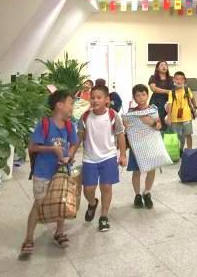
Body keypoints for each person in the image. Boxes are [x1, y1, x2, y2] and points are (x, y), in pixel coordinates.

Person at [20, 90, 79, 256]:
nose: (72, 107)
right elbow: (32, 147)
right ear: (59, 105)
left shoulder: (69, 125)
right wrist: (52, 149)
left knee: (61, 200)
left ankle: (59, 232)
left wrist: (69, 155)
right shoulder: (44, 124)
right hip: (43, 172)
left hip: (62, 171)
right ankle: (28, 238)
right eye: (70, 103)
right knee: (38, 203)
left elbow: (74, 144)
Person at [78, 84, 127, 232]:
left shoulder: (113, 115)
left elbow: (120, 135)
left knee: (106, 187)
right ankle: (92, 203)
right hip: (89, 158)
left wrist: (123, 155)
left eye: (99, 97)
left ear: (106, 99)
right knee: (88, 188)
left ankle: (104, 216)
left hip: (108, 157)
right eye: (92, 97)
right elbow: (79, 137)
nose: (95, 100)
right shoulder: (85, 116)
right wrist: (71, 153)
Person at [123, 84, 160, 210]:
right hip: (136, 146)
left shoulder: (153, 109)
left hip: (151, 144)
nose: (141, 97)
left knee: (151, 169)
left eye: (143, 94)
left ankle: (147, 192)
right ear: (134, 97)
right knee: (136, 171)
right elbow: (127, 128)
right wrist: (126, 125)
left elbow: (159, 126)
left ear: (147, 95)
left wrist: (151, 122)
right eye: (137, 95)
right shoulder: (131, 113)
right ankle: (137, 195)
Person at [165, 71, 197, 152]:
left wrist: (195, 107)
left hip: (187, 117)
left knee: (188, 135)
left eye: (181, 79)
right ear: (173, 80)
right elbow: (170, 104)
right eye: (176, 79)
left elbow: (192, 98)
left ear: (184, 80)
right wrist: (169, 116)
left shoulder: (187, 90)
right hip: (174, 118)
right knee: (176, 136)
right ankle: (178, 151)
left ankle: (189, 152)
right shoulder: (171, 92)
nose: (178, 81)